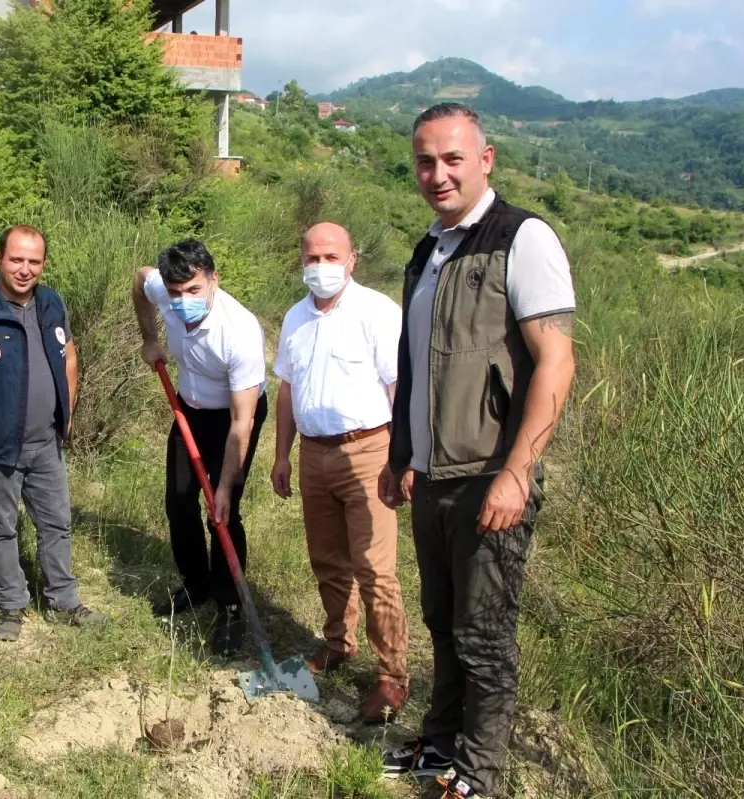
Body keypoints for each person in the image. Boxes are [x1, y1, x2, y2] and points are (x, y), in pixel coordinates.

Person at [378, 103, 576, 799]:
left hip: (490, 477)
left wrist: (517, 472)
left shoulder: (521, 238)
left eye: (453, 159)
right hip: (432, 477)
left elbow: (556, 361)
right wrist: (402, 452)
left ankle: (482, 772)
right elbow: (417, 363)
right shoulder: (428, 249)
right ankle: (440, 744)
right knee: (442, 620)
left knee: (485, 634)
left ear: (485, 159)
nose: (438, 174)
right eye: (426, 161)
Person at [271, 222, 411, 724]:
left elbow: (399, 387)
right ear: (301, 262)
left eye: (331, 257)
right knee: (327, 559)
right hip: (314, 452)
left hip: (369, 449)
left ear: (353, 259)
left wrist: (403, 459)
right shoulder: (294, 318)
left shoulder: (376, 312)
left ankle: (393, 675)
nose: (321, 267)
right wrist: (282, 454)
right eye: (312, 258)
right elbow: (287, 389)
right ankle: (338, 643)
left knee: (376, 569)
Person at [0, 225, 106, 643]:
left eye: (34, 261)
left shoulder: (52, 302)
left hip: (46, 443)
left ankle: (64, 603)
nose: (25, 269)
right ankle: (12, 605)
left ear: (43, 264)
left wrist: (65, 412)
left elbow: (69, 354)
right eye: (16, 259)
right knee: (1, 529)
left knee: (57, 524)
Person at [132, 239, 267, 656]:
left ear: (213, 280)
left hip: (233, 418)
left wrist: (224, 486)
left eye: (194, 290)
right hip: (189, 411)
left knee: (222, 514)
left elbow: (242, 423)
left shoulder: (239, 331)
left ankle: (230, 605)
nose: (184, 300)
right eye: (175, 294)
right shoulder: (164, 292)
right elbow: (139, 279)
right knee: (178, 501)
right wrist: (149, 337)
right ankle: (196, 585)